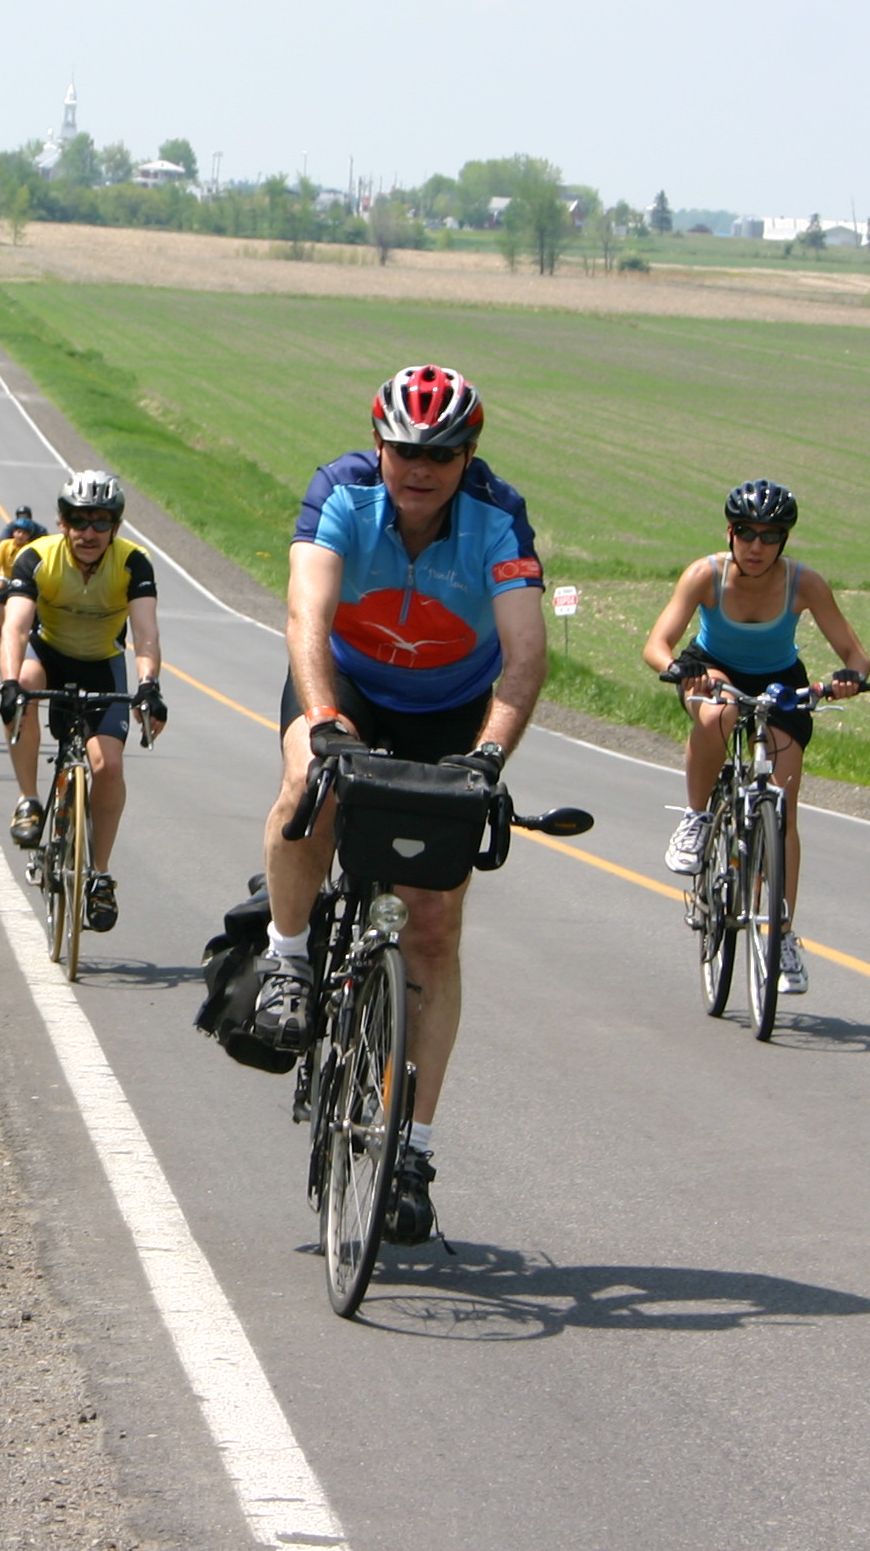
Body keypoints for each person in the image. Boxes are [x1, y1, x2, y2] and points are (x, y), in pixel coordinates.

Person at [252, 363, 546, 1246]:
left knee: (433, 925)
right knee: (308, 781)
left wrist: (489, 758)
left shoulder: (498, 518)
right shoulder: (341, 492)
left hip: (454, 706)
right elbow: (308, 616)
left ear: (469, 457)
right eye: (404, 450)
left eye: (443, 453)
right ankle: (288, 959)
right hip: (350, 686)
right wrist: (325, 716)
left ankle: (410, 1149)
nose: (420, 468)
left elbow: (525, 653)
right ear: (378, 445)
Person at [640, 480, 870, 997]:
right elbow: (657, 643)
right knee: (717, 714)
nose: (756, 545)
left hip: (779, 681)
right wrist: (679, 669)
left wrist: (848, 680)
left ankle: (781, 935)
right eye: (746, 533)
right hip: (711, 671)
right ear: (730, 533)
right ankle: (698, 819)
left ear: (784, 541)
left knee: (784, 805)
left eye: (770, 536)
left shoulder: (805, 584)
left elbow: (856, 656)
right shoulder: (706, 575)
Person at [0, 471, 167, 934]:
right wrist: (10, 683)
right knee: (26, 684)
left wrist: (149, 686)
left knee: (108, 766)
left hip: (102, 664)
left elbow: (146, 634)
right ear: (62, 521)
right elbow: (15, 627)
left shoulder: (134, 564)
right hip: (49, 655)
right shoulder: (36, 557)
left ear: (115, 525)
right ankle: (29, 800)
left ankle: (101, 875)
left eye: (100, 521)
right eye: (77, 520)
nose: (88, 532)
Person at [0, 504, 41, 604]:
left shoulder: (30, 549)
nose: (21, 535)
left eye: (24, 533)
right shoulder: (4, 544)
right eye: (19, 532)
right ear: (14, 533)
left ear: (29, 536)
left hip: (22, 583)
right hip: (6, 580)